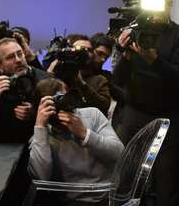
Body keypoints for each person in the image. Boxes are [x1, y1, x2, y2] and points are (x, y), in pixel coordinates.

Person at [113, 0, 179, 206]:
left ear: (170, 4)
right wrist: (124, 53)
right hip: (135, 113)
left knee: (167, 185)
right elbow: (118, 80)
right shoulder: (132, 32)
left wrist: (154, 60)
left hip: (169, 117)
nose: (160, 9)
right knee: (124, 179)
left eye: (165, 3)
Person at [28, 77, 124, 205]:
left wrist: (85, 133)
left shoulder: (92, 114)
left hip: (109, 195)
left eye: (64, 97)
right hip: (73, 201)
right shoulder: (41, 137)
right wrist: (40, 126)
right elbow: (42, 178)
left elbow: (120, 154)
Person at [0, 37, 49, 143]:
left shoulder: (45, 80)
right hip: (8, 146)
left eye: (20, 54)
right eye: (10, 57)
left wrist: (35, 114)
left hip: (41, 142)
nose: (18, 60)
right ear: (0, 67)